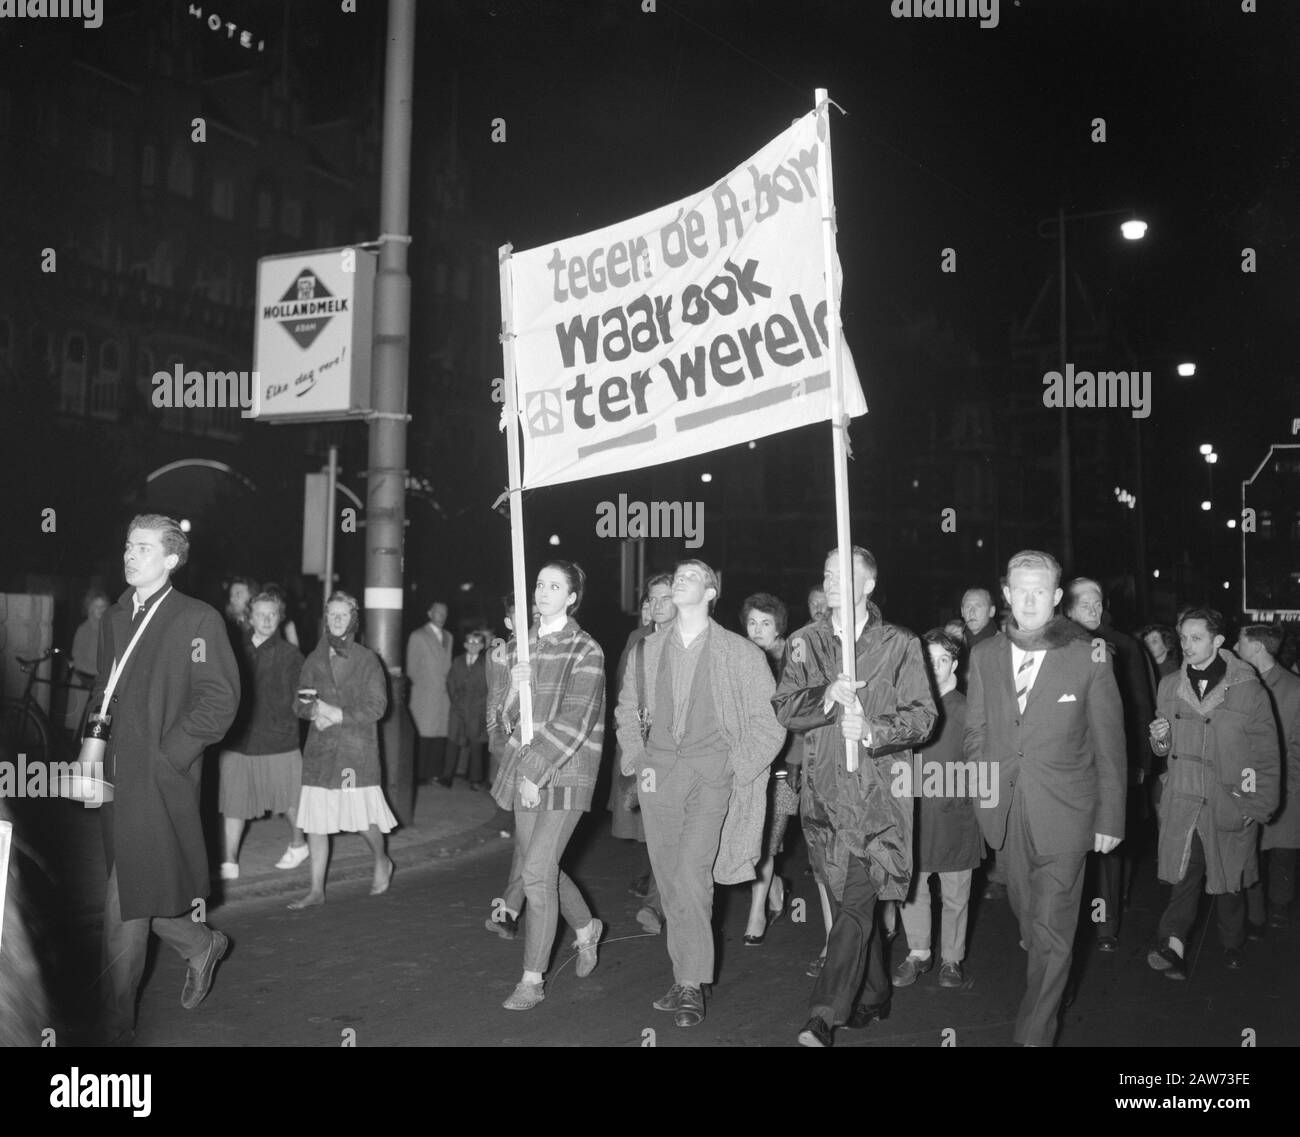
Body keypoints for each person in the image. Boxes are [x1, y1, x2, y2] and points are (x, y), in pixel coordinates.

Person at [775, 546, 937, 1048]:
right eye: (826, 573)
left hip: (878, 802)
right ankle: (875, 991)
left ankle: (823, 1015)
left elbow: (924, 716)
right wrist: (826, 697)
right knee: (851, 905)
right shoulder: (804, 642)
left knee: (852, 908)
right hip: (824, 800)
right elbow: (784, 707)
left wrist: (871, 728)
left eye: (843, 574)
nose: (831, 581)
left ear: (869, 584)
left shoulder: (900, 643)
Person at [963, 549, 1125, 1046]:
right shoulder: (986, 654)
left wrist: (1111, 818)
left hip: (1067, 817)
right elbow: (977, 731)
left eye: (1041, 592)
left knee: (1053, 932)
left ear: (1057, 597)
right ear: (1006, 595)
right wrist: (979, 785)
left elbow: (1110, 744)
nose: (1029, 601)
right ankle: (1050, 977)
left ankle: (1033, 1034)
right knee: (1029, 919)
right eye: (1020, 591)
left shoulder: (1088, 655)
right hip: (1006, 815)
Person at [616, 559, 785, 1028]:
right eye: (678, 576)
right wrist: (637, 758)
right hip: (658, 780)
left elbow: (769, 725)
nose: (680, 580)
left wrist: (735, 768)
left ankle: (691, 984)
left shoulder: (740, 653)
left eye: (692, 576)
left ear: (711, 593)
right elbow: (627, 710)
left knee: (692, 875)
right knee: (670, 880)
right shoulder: (647, 650)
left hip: (713, 780)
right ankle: (683, 973)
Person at [92, 514, 241, 1043]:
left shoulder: (197, 620)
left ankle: (113, 1030)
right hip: (113, 778)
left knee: (122, 911)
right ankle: (200, 944)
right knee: (140, 891)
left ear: (172, 559)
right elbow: (102, 692)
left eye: (144, 549)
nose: (131, 555)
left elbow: (219, 700)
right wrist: (89, 755)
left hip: (157, 783)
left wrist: (167, 757)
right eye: (128, 546)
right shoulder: (115, 616)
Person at [488, 560, 606, 1010]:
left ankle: (532, 979)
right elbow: (505, 720)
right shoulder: (524, 646)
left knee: (535, 872)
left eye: (554, 586)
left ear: (572, 597)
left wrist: (535, 772)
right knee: (544, 869)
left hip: (568, 770)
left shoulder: (586, 649)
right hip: (527, 770)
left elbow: (576, 719)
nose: (542, 592)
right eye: (539, 584)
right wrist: (513, 692)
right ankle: (587, 928)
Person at [1146, 609, 1280, 976]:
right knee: (1186, 874)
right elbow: (1164, 748)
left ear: (1218, 641)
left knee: (1229, 883)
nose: (1187, 646)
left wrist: (1257, 803)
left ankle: (1232, 941)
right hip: (1185, 799)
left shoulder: (1248, 689)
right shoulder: (1170, 684)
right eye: (1184, 638)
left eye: (1196, 638)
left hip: (1229, 800)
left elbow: (1266, 754)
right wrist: (1159, 740)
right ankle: (1172, 944)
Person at [289, 590, 397, 910]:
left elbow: (377, 707)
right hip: (321, 751)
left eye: (343, 614)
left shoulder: (367, 659)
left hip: (354, 752)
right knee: (316, 823)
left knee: (362, 819)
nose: (337, 620)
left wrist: (338, 714)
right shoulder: (314, 658)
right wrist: (313, 713)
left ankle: (382, 859)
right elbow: (301, 701)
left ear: (354, 618)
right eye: (332, 614)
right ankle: (316, 890)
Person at [1066, 577, 1155, 951]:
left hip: (1107, 762)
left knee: (1107, 851)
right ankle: (1066, 926)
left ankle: (1104, 925)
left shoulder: (1123, 646)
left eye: (1097, 600)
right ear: (1067, 608)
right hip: (1066, 764)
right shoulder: (1055, 644)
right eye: (1083, 602)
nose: (1092, 608)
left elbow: (1139, 708)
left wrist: (1140, 762)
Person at [894, 629, 983, 991]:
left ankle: (951, 958)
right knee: (912, 888)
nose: (936, 666)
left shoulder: (967, 709)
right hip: (914, 814)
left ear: (955, 665)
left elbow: (982, 766)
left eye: (943, 659)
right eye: (928, 659)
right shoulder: (907, 706)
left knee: (956, 894)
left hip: (955, 817)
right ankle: (918, 952)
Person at [217, 590, 307, 879]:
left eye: (273, 614)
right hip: (238, 740)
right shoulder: (234, 649)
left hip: (278, 740)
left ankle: (299, 843)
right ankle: (229, 860)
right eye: (261, 614)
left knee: (289, 801)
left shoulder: (291, 655)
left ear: (279, 617)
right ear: (249, 617)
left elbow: (304, 698)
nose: (267, 620)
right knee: (234, 801)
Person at [609, 573, 676, 934]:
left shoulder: (698, 642)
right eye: (653, 598)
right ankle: (657, 900)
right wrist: (632, 751)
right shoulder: (640, 645)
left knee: (674, 835)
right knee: (659, 829)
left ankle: (659, 902)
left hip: (688, 754)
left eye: (668, 597)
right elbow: (625, 701)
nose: (659, 605)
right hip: (651, 752)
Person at [740, 591, 798, 945]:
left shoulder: (794, 659)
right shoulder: (738, 657)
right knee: (750, 839)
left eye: (766, 623)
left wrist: (795, 760)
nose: (758, 630)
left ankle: (756, 913)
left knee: (768, 842)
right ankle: (774, 883)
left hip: (783, 764)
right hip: (747, 763)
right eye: (752, 622)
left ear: (779, 627)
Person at [1237, 625, 1300, 931]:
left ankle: (1280, 905)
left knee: (1283, 852)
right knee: (1251, 852)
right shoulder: (1237, 684)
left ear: (1257, 648)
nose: (1236, 648)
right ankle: (1255, 912)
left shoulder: (1294, 689)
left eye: (1241, 642)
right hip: (1248, 784)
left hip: (1287, 786)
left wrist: (1288, 787)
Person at [960, 586, 1005, 899]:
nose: (971, 611)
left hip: (989, 735)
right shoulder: (956, 643)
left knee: (992, 803)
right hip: (959, 730)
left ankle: (1000, 873)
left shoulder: (1000, 645)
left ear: (991, 611)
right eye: (966, 606)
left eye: (978, 606)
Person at [407, 600, 454, 786]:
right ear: (429, 613)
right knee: (424, 736)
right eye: (438, 613)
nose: (441, 617)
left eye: (444, 613)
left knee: (439, 736)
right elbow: (411, 668)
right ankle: (419, 776)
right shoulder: (417, 636)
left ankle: (434, 773)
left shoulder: (449, 636)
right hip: (424, 695)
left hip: (443, 696)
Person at [447, 629, 490, 791]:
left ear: (482, 646)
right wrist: (456, 702)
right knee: (452, 742)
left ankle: (475, 779)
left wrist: (477, 705)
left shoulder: (485, 664)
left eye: (477, 643)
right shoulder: (457, 662)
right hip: (458, 709)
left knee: (476, 744)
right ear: (465, 644)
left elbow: (488, 689)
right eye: (470, 642)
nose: (473, 645)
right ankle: (446, 777)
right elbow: (450, 683)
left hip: (476, 711)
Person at [65, 588, 108, 734]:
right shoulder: (83, 630)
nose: (100, 610)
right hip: (83, 683)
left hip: (99, 684)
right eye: (96, 606)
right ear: (89, 608)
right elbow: (77, 660)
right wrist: (99, 672)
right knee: (80, 729)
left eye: (103, 606)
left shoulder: (107, 629)